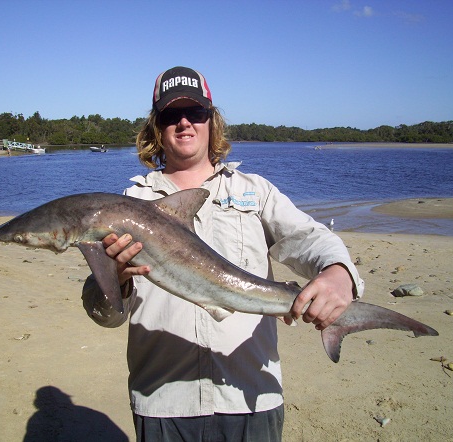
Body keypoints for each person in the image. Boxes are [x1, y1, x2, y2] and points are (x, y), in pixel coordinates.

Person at [82, 66, 364, 441]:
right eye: (170, 115)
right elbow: (105, 316)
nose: (184, 123)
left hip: (250, 396)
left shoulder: (255, 191)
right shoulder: (128, 205)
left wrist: (339, 271)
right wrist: (114, 281)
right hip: (164, 401)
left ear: (212, 121)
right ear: (156, 127)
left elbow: (309, 237)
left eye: (195, 113)